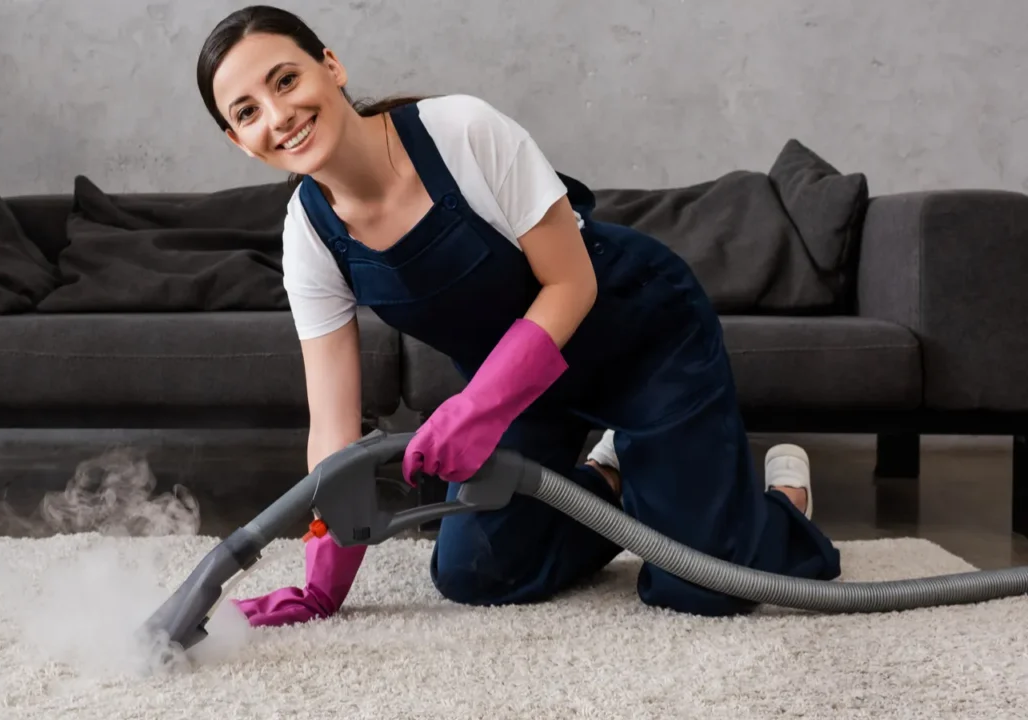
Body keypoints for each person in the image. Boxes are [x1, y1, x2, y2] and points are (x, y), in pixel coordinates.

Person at [195, 5, 841, 626]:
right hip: (524, 391)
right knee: (476, 574)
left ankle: (782, 498)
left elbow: (570, 281)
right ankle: (616, 479)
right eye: (248, 112)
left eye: (286, 80)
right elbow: (333, 430)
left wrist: (479, 409)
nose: (280, 116)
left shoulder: (461, 132)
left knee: (703, 587)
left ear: (330, 65)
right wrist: (320, 587)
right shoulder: (309, 234)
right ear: (237, 141)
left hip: (643, 342)